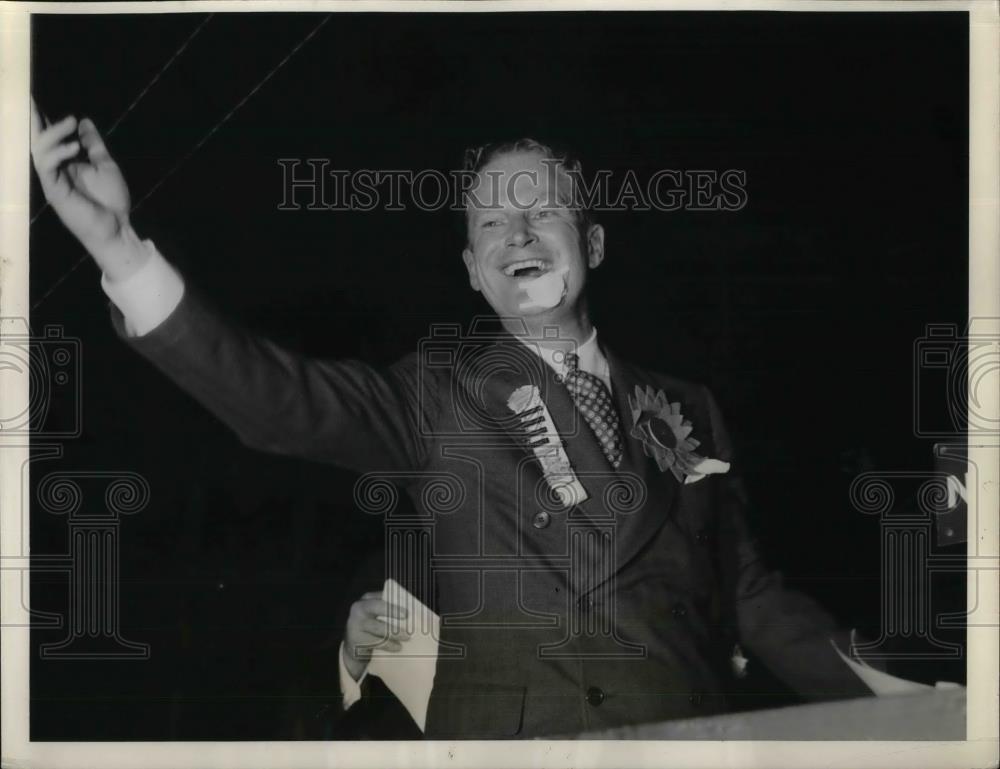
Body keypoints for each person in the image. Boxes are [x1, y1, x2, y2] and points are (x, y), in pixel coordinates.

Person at [30, 100, 876, 739]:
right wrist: (119, 248)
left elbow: (752, 595)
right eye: (492, 221)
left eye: (542, 210)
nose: (519, 233)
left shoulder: (691, 406)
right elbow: (276, 401)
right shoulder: (438, 390)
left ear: (595, 241)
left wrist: (901, 695)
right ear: (474, 271)